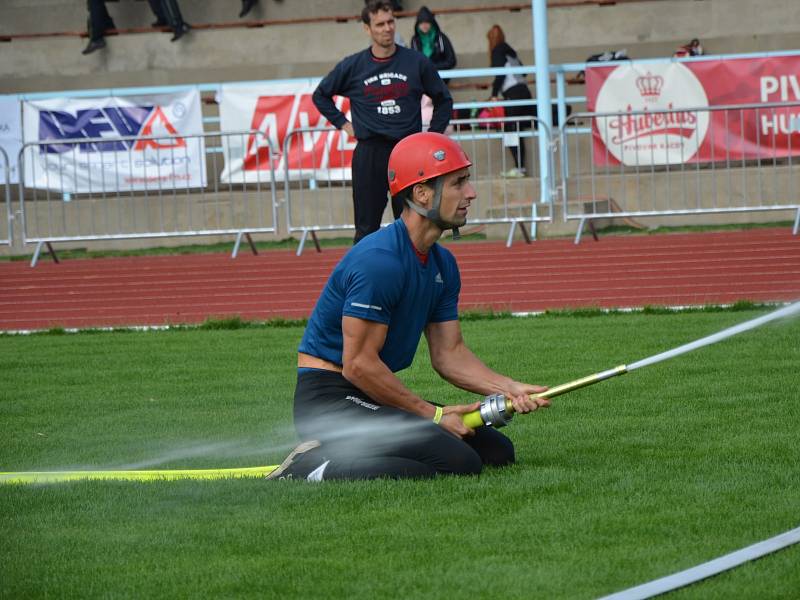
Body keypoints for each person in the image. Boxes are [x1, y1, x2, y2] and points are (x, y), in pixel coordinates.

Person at [267, 132, 550, 482]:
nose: (471, 193)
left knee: (497, 452)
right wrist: (433, 414)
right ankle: (310, 464)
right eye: (459, 183)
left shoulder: (443, 264)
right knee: (459, 462)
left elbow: (450, 354)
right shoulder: (379, 261)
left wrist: (510, 389)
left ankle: (355, 448)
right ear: (421, 193)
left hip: (371, 394)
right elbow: (357, 366)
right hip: (329, 402)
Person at [313, 0, 453, 244]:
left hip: (407, 153)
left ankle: (414, 280)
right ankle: (365, 281)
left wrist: (429, 137)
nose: (387, 28)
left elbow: (444, 100)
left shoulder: (416, 62)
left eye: (390, 22)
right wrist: (344, 124)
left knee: (415, 226)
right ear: (367, 28)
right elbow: (320, 95)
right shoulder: (353, 65)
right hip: (370, 153)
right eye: (379, 24)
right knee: (366, 230)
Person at [487, 24, 534, 178]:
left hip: (514, 94)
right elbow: (524, 73)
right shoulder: (510, 52)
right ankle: (520, 167)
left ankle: (519, 167)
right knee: (516, 128)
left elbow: (500, 75)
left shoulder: (497, 51)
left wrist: (494, 94)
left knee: (509, 129)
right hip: (524, 92)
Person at [410, 6, 457, 73]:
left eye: (427, 22)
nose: (424, 25)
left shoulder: (441, 37)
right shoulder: (415, 40)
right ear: (417, 25)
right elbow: (413, 62)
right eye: (421, 22)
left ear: (432, 23)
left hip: (441, 77)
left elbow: (452, 61)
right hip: (422, 77)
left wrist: (434, 67)